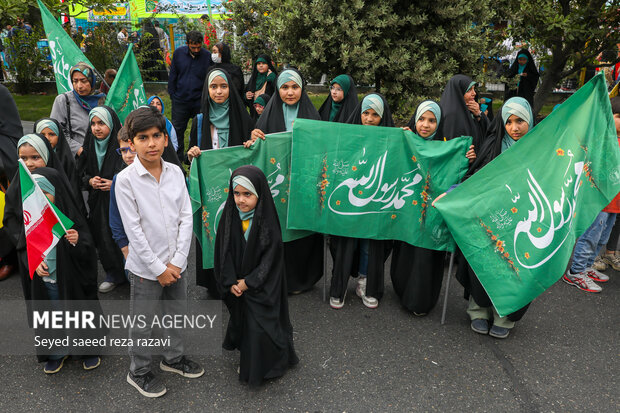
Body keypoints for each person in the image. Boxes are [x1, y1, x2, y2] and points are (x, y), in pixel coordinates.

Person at [115, 106, 203, 398]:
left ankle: (172, 358)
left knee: (176, 314)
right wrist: (159, 269)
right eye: (143, 137)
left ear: (166, 139)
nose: (151, 143)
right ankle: (138, 370)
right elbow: (134, 231)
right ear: (131, 142)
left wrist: (177, 261)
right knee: (143, 321)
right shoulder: (126, 180)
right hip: (146, 269)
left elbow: (186, 216)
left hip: (176, 264)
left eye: (156, 136)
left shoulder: (176, 172)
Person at [3, 135, 103, 373]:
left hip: (67, 261)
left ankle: (86, 348)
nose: (29, 163)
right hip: (39, 260)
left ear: (46, 155)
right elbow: (13, 225)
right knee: (49, 307)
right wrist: (31, 257)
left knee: (75, 304)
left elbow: (79, 223)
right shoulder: (18, 186)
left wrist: (78, 238)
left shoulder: (56, 180)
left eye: (35, 157)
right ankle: (56, 350)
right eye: (23, 158)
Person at [444, 97, 535, 339]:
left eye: (520, 121)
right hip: (490, 220)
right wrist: (452, 197)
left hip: (523, 223)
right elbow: (475, 180)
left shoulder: (541, 151)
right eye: (509, 122)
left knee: (514, 268)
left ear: (530, 121)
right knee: (483, 265)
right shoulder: (492, 146)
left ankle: (504, 317)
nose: (514, 128)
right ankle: (478, 311)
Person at [214, 165, 299, 387]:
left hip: (261, 286)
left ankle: (266, 366)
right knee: (246, 324)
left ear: (259, 194)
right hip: (238, 284)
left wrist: (249, 282)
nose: (241, 200)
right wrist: (231, 281)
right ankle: (252, 359)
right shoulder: (230, 218)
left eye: (247, 194)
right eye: (236, 193)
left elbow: (271, 259)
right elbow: (224, 252)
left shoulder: (266, 221)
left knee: (261, 326)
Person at [249, 68, 324, 294]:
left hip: (304, 185)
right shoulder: (269, 115)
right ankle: (276, 276)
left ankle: (302, 279)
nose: (290, 92)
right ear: (278, 89)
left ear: (302, 89)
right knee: (277, 230)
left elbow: (324, 149)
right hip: (277, 185)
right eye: (284, 87)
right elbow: (256, 148)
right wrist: (254, 137)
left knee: (302, 231)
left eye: (294, 87)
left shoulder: (312, 116)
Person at [186, 68, 254, 298]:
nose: (218, 91)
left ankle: (238, 280)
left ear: (230, 89)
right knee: (212, 233)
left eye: (223, 86)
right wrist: (193, 153)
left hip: (238, 192)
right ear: (207, 89)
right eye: (213, 87)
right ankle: (215, 283)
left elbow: (253, 151)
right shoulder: (200, 121)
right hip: (212, 192)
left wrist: (253, 142)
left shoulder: (242, 117)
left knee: (236, 233)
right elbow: (192, 157)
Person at [327, 94, 394, 310]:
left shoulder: (391, 139)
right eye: (366, 113)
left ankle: (365, 283)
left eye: (375, 114)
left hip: (375, 202)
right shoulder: (347, 137)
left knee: (368, 246)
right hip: (348, 201)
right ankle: (339, 285)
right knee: (346, 243)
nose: (370, 118)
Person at [390, 101, 447, 315]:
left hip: (432, 215)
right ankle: (402, 292)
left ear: (438, 123)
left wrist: (464, 156)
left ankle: (421, 301)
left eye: (432, 121)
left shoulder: (445, 148)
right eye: (421, 119)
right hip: (407, 211)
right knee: (406, 252)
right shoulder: (407, 141)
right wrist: (401, 139)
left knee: (426, 258)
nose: (425, 125)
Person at [563, 96, 620, 292]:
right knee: (590, 237)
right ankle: (576, 271)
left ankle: (587, 267)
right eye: (619, 116)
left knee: (602, 239)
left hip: (615, 203)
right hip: (600, 201)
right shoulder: (603, 140)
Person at [77, 106, 126, 293]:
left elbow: (131, 169)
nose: (97, 128)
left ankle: (133, 273)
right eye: (93, 123)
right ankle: (113, 274)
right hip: (98, 201)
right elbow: (80, 173)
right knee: (103, 236)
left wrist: (115, 183)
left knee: (125, 234)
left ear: (111, 124)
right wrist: (90, 180)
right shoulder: (89, 146)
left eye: (102, 123)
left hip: (121, 201)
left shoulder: (121, 145)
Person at [168, 30, 212, 161]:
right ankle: (177, 157)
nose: (197, 50)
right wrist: (173, 94)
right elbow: (173, 75)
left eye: (199, 47)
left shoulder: (207, 56)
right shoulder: (178, 54)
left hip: (199, 100)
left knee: (199, 129)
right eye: (193, 47)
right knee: (178, 130)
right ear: (187, 44)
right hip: (180, 100)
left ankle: (196, 156)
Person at [50, 62, 106, 157]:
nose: (79, 86)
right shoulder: (63, 100)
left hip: (102, 157)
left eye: (83, 81)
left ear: (91, 80)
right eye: (75, 81)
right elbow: (55, 131)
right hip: (76, 159)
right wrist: (79, 150)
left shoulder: (103, 100)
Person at [0, 84, 23, 281]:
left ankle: (10, 258)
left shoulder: (1, 92)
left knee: (5, 211)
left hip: (3, 161)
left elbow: (13, 132)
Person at [33, 118, 82, 206]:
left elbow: (74, 192)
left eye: (52, 134)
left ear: (59, 137)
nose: (47, 138)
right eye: (42, 134)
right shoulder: (30, 160)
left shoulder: (66, 159)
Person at [108, 126, 134, 272]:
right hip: (132, 249)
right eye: (123, 150)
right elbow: (115, 217)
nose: (128, 155)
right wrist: (125, 249)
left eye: (131, 149)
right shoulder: (119, 180)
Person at [440, 74, 489, 150]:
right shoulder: (451, 116)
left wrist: (479, 114)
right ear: (459, 92)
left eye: (474, 89)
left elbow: (489, 132)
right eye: (469, 90)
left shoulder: (470, 111)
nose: (474, 93)